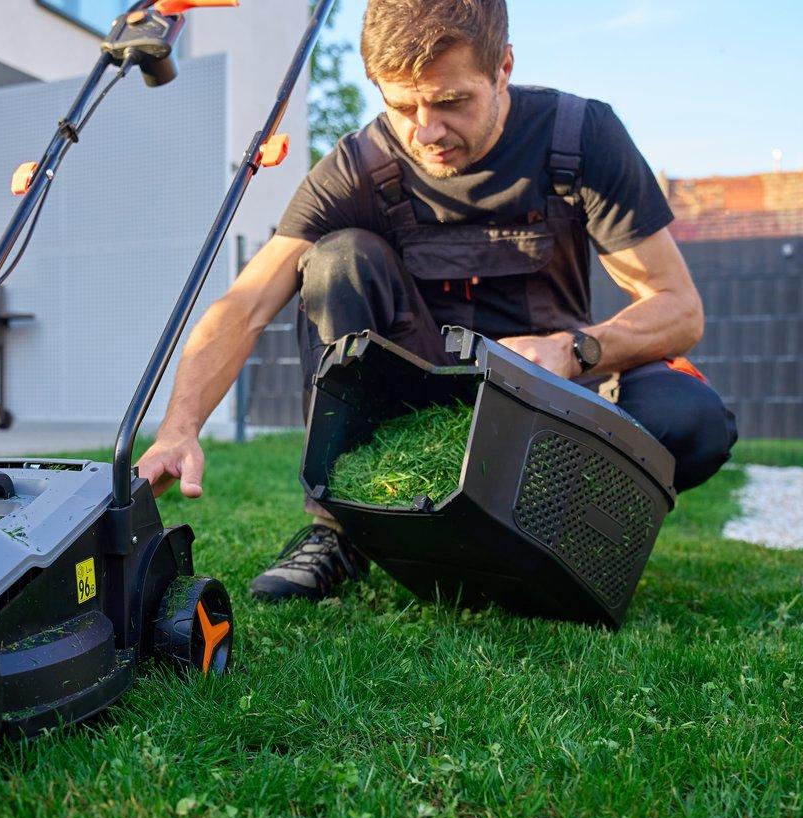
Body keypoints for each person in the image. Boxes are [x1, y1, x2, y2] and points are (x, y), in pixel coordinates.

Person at [137, 0, 737, 603]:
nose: (426, 131)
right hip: (421, 402)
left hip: (550, 400)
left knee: (692, 418)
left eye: (451, 102)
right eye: (401, 106)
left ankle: (547, 525)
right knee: (337, 259)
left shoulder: (580, 139)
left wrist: (573, 349)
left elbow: (678, 308)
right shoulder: (356, 167)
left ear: (502, 67)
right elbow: (245, 304)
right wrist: (178, 428)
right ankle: (341, 527)